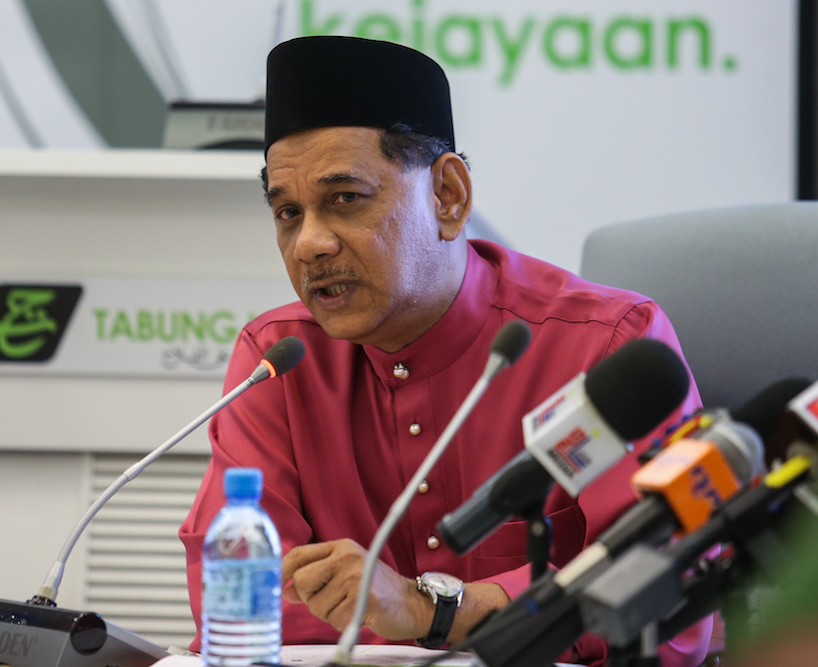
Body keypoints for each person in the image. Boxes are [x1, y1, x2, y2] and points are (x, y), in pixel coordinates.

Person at [180, 35, 713, 666]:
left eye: (345, 199)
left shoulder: (605, 346)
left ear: (448, 196)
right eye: (288, 213)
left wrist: (433, 611)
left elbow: (665, 601)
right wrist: (519, 612)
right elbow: (241, 608)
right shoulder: (278, 362)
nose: (309, 245)